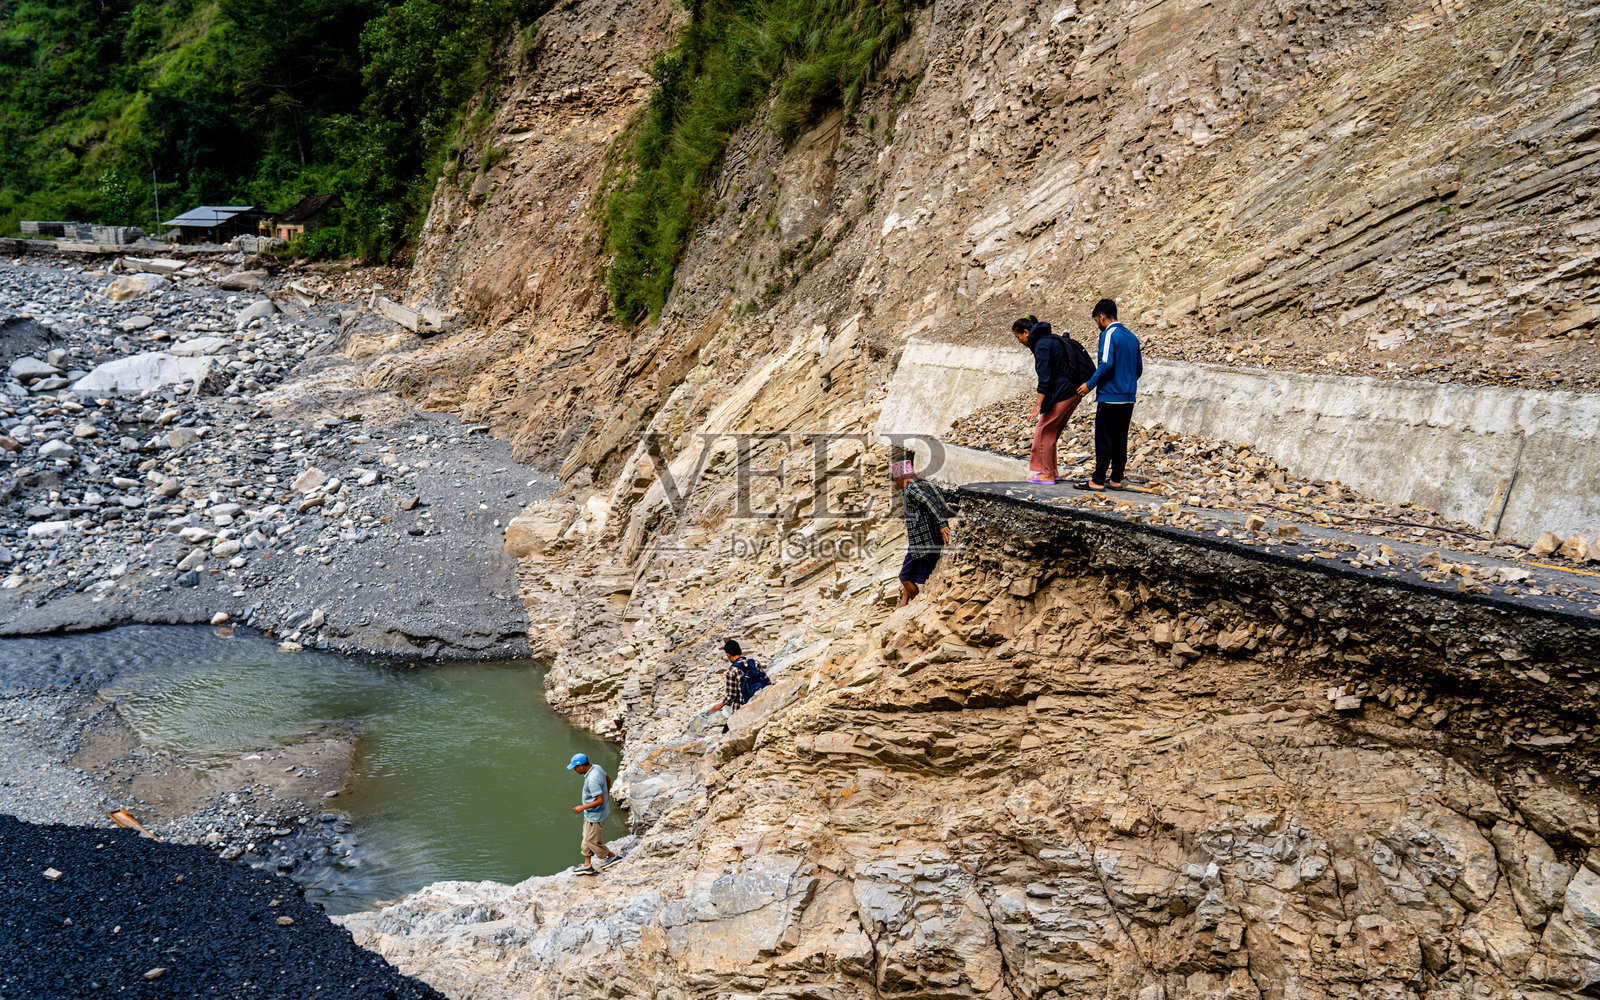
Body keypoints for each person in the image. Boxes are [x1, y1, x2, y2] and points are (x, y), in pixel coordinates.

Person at [1074, 299, 1143, 492]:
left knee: (1104, 438)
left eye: (1097, 319)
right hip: (1128, 396)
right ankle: (1116, 479)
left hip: (1110, 396)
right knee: (1120, 438)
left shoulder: (1108, 334)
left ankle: (1097, 480)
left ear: (1101, 317)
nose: (1097, 323)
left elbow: (1105, 364)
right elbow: (1138, 369)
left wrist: (1089, 385)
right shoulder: (1132, 337)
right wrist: (1126, 382)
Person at [1011, 315, 1086, 485]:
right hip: (1073, 391)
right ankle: (1052, 471)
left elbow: (1045, 378)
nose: (1019, 341)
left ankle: (1046, 474)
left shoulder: (1042, 345)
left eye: (1018, 337)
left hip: (1064, 392)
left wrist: (1037, 406)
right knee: (1051, 431)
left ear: (1026, 332)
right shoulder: (1050, 339)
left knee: (1043, 430)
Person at [891, 459, 954, 606]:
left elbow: (932, 503)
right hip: (926, 541)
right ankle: (905, 601)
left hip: (921, 543)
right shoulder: (925, 485)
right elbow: (945, 495)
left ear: (903, 479)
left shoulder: (912, 489)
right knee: (915, 575)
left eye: (897, 482)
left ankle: (916, 603)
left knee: (904, 577)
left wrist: (942, 524)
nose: (898, 485)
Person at [566, 752, 617, 876]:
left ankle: (613, 856)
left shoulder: (592, 779)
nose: (575, 770)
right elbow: (608, 778)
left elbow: (600, 800)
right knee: (586, 836)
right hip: (593, 813)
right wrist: (607, 792)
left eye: (575, 768)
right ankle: (587, 865)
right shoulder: (597, 767)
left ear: (581, 766)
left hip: (595, 815)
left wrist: (582, 807)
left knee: (591, 841)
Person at [707, 639, 770, 719]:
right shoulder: (755, 663)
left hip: (743, 708)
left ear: (728, 655)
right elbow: (767, 680)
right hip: (763, 698)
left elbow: (732, 695)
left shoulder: (732, 670)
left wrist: (720, 705)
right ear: (740, 650)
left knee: (727, 730)